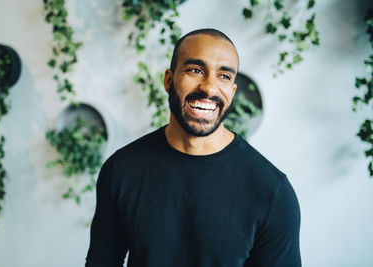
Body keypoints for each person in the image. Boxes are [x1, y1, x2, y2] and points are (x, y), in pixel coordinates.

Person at [85, 28, 301, 267]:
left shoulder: (272, 192)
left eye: (224, 76)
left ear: (233, 91)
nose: (209, 88)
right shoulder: (121, 170)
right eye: (196, 70)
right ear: (169, 80)